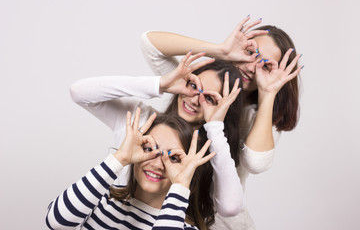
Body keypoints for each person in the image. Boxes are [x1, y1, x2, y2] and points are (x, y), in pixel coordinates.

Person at [140, 16, 303, 229]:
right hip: (163, 213)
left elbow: (256, 162)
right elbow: (150, 44)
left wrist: (268, 92)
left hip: (217, 222)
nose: (252, 67)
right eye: (251, 52)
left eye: (265, 65)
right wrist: (221, 50)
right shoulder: (194, 86)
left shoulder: (257, 116)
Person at [69, 52, 244, 223]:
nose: (195, 99)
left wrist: (215, 125)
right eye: (193, 86)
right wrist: (161, 84)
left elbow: (230, 207)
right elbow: (78, 91)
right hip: (112, 219)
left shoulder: (210, 153)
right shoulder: (143, 121)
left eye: (210, 99)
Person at [46, 110, 216, 230]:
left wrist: (180, 184)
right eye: (149, 149)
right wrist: (121, 158)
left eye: (173, 158)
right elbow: (57, 222)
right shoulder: (100, 198)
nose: (157, 164)